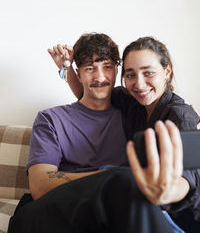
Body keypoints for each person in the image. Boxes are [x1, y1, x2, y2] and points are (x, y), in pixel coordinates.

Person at [8, 33, 190, 233]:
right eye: (89, 69)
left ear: (116, 71)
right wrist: (110, 176)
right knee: (126, 182)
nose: (100, 77)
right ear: (78, 74)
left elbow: (187, 178)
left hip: (114, 214)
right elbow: (40, 186)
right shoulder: (50, 119)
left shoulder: (133, 112)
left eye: (107, 67)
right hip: (53, 210)